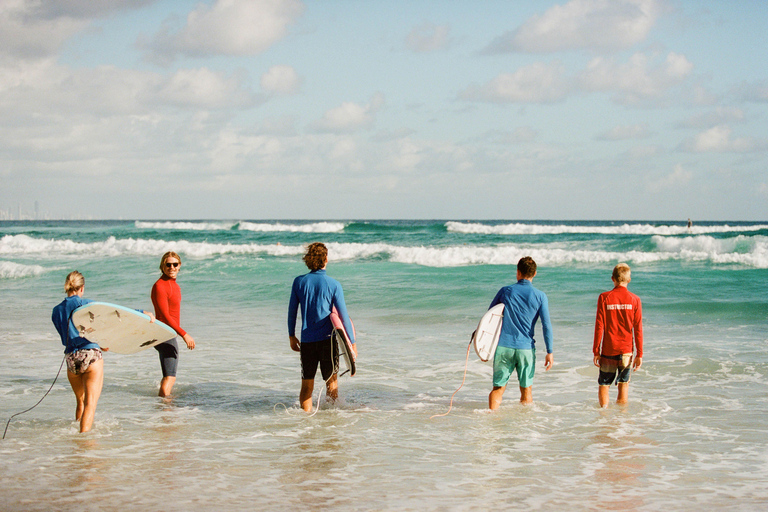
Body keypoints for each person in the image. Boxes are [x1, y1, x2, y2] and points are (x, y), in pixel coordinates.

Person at [51, 271, 154, 433]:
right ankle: (83, 443)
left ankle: (75, 441)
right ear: (82, 288)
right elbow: (115, 314)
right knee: (90, 405)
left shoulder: (56, 311)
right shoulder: (86, 304)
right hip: (90, 355)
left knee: (80, 401)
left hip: (71, 359)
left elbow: (71, 334)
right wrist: (142, 313)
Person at [288, 242, 357, 412]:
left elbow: (291, 312)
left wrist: (291, 335)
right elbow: (343, 316)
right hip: (328, 342)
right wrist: (352, 343)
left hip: (307, 342)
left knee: (306, 388)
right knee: (332, 386)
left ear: (309, 260)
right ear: (326, 259)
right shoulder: (334, 285)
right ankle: (330, 430)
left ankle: (305, 426)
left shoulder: (299, 282)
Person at [488, 256, 554, 409]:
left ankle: (492, 422)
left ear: (517, 272)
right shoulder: (540, 296)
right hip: (525, 349)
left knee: (498, 388)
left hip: (504, 347)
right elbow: (546, 325)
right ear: (535, 274)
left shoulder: (506, 291)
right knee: (526, 390)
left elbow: (490, 315)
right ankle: (525, 428)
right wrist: (549, 351)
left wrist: (484, 343)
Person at [592, 263, 643, 408]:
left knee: (604, 385)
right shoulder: (635, 300)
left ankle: (604, 417)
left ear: (612, 278)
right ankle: (621, 424)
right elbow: (638, 329)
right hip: (626, 350)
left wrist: (596, 350)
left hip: (609, 349)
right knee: (623, 385)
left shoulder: (604, 297)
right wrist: (639, 354)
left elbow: (599, 326)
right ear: (629, 280)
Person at [151, 251, 196, 397]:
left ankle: (163, 407)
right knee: (170, 376)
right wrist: (184, 334)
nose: (172, 267)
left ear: (180, 266)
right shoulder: (160, 286)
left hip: (168, 333)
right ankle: (165, 411)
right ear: (162, 266)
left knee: (169, 375)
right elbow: (165, 315)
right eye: (168, 264)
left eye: (175, 264)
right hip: (163, 333)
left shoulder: (174, 286)